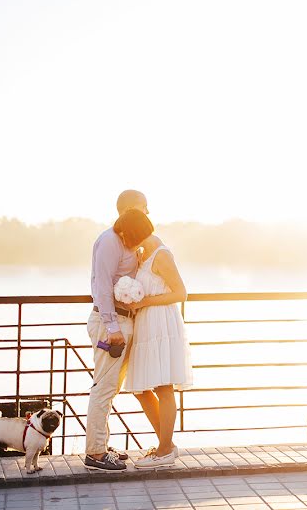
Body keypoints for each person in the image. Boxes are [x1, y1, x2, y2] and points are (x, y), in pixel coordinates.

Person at [84, 191, 150, 472]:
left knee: (110, 389)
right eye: (143, 208)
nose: (147, 212)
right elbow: (101, 286)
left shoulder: (129, 241)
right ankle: (95, 454)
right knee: (103, 387)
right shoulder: (110, 241)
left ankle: (101, 444)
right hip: (110, 324)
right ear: (129, 210)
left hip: (123, 322)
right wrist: (112, 327)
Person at [120, 227, 193, 468]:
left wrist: (146, 301)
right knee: (141, 388)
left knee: (164, 386)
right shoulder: (142, 255)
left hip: (162, 323)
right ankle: (167, 444)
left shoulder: (162, 254)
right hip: (146, 324)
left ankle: (163, 450)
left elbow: (181, 293)